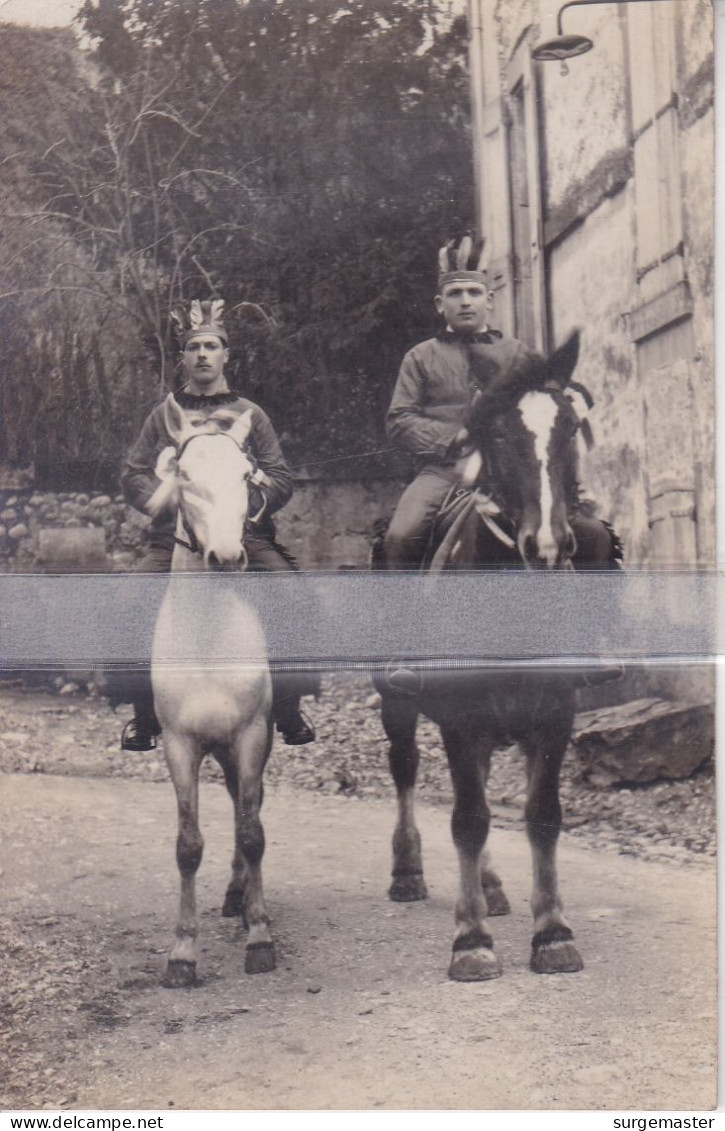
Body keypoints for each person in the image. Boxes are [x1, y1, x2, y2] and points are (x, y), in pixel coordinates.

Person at [115, 298, 317, 751]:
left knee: (293, 591)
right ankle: (143, 715)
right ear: (184, 357)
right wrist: (166, 498)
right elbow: (133, 472)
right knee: (127, 602)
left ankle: (286, 705)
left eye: (211, 346)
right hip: (175, 539)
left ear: (226, 355)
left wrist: (244, 502)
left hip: (243, 535)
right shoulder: (163, 416)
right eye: (194, 348)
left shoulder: (251, 414)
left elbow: (280, 477)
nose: (203, 355)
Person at [384, 236, 618, 572]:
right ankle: (406, 624)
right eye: (455, 294)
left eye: (474, 293)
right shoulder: (420, 358)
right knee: (401, 536)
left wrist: (573, 399)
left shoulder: (519, 355)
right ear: (439, 303)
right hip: (445, 471)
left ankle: (598, 619)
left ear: (489, 300)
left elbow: (555, 391)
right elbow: (400, 421)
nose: (466, 302)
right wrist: (456, 437)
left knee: (594, 535)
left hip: (515, 470)